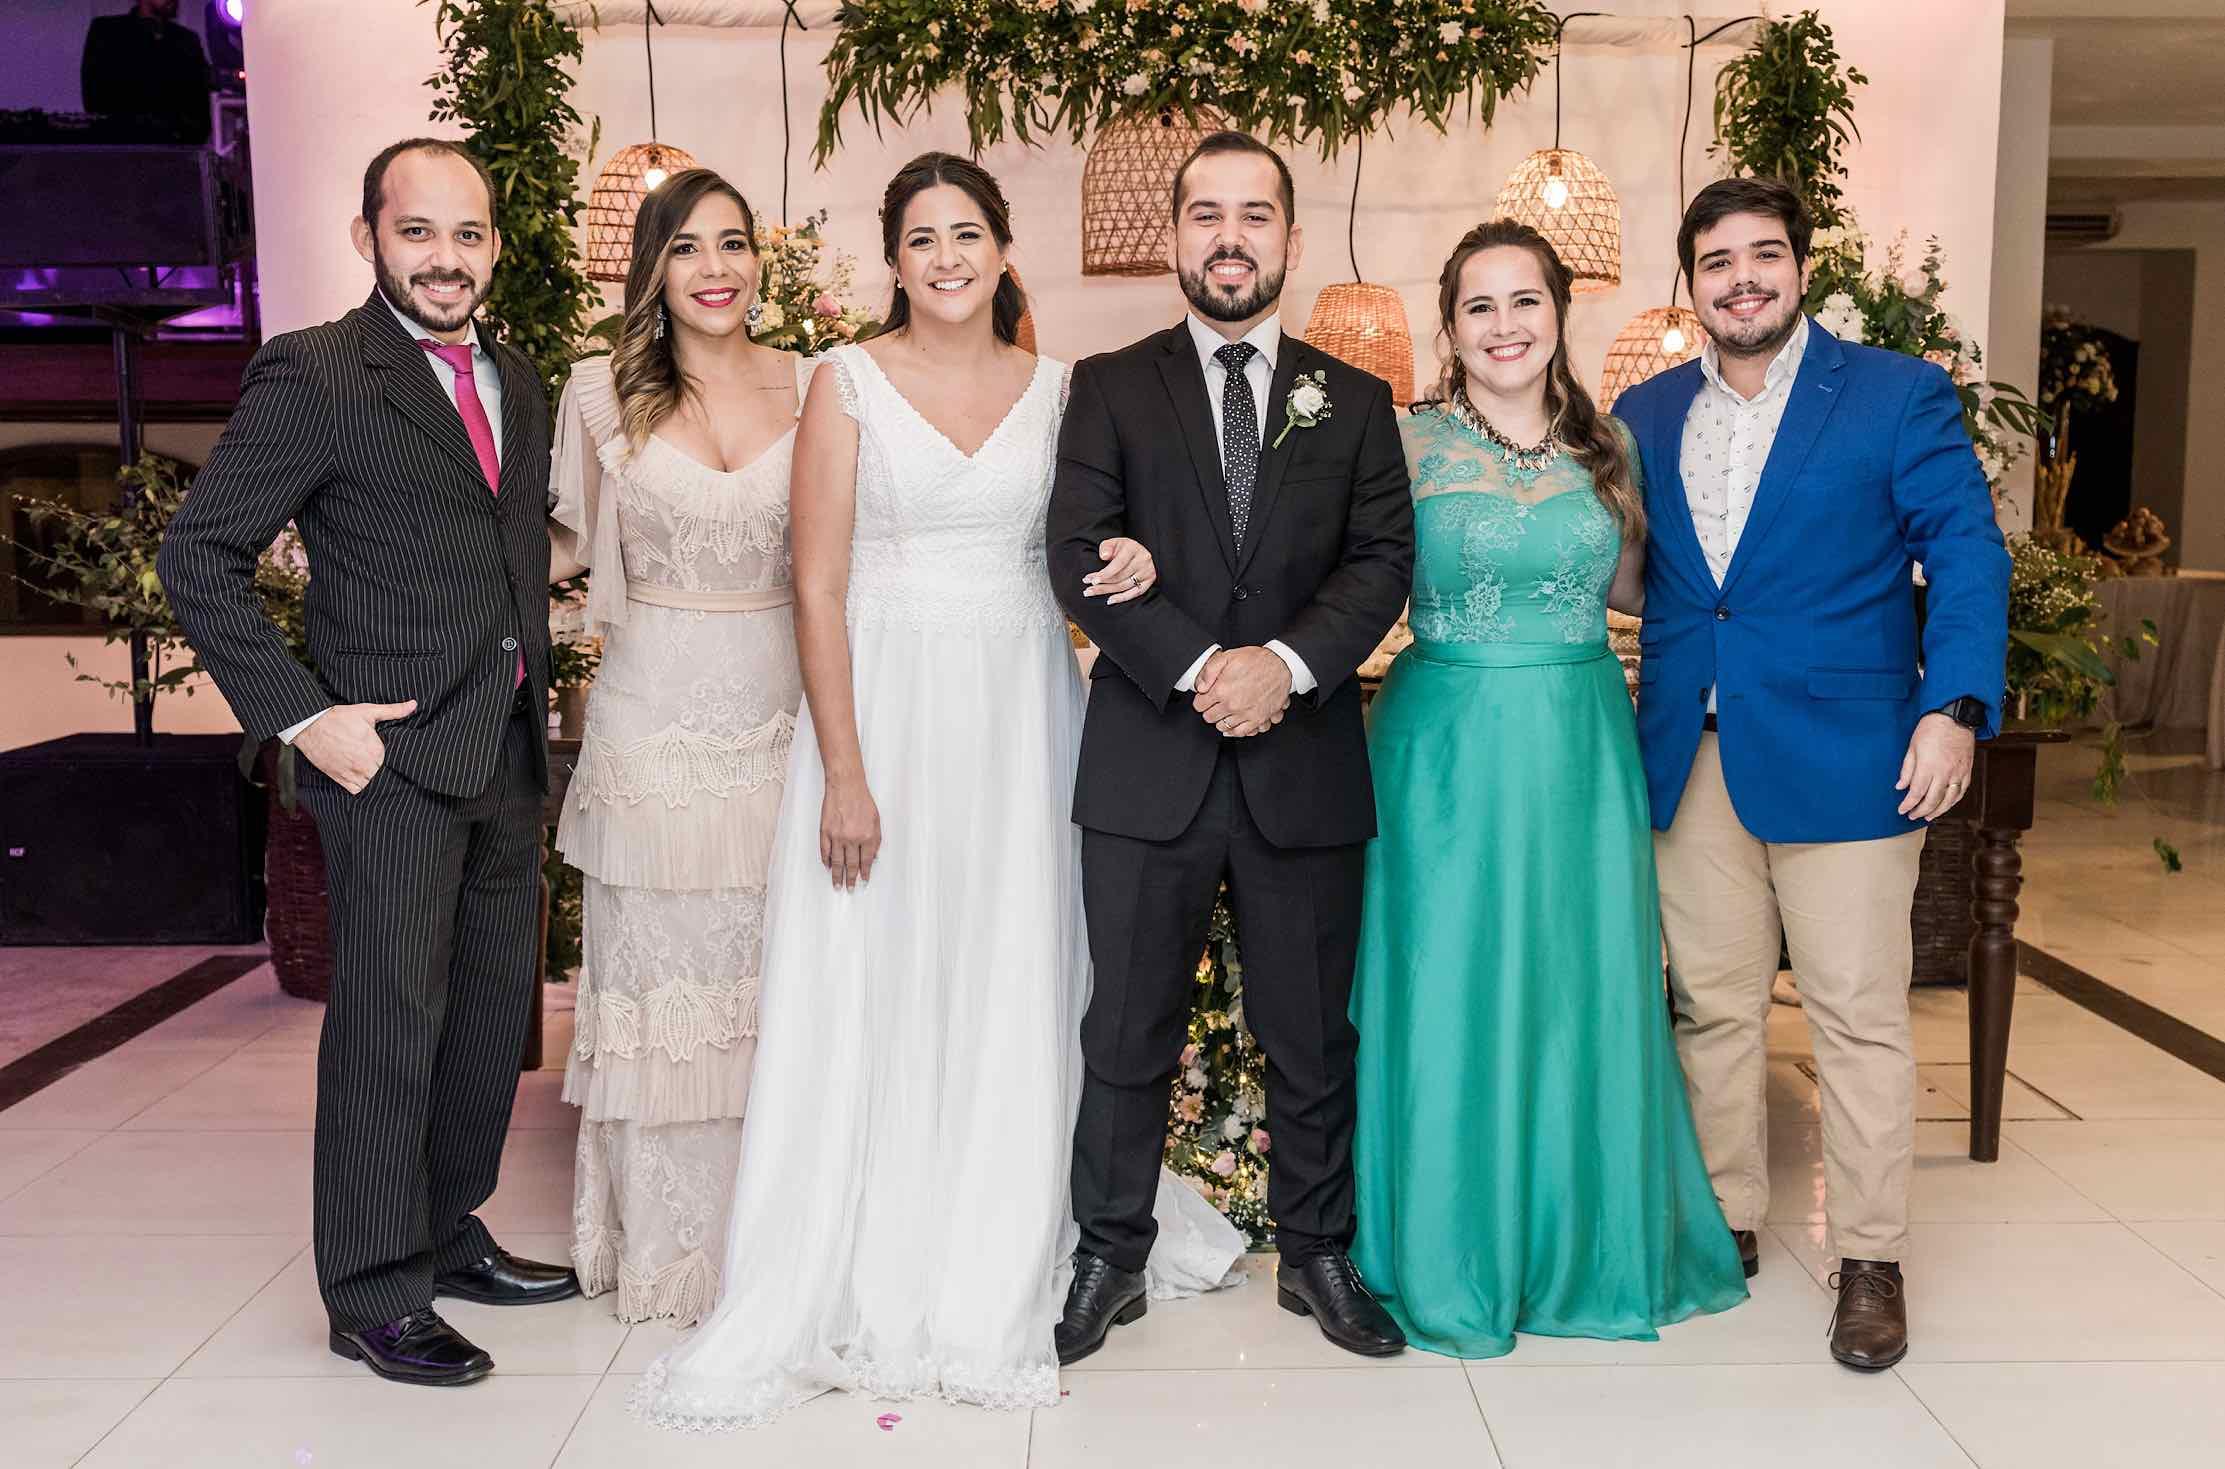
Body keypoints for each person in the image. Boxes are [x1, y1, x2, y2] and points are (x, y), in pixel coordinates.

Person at [632, 152, 1241, 1432]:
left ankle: (1006, 1227)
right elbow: (814, 585)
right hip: (888, 713)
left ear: (1002, 250)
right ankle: (866, 1243)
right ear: (894, 262)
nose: (947, 257)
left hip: (1022, 711)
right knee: (881, 963)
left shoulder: (1064, 389)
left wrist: (1132, 552)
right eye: (922, 238)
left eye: (967, 233)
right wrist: (845, 770)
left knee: (1017, 959)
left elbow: (1094, 540)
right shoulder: (844, 382)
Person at [156, 138, 577, 1388]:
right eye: (418, 231)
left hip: (504, 741)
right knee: (390, 1030)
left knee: (490, 1019)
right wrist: (302, 718)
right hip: (382, 760)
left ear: (493, 246)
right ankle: (374, 1288)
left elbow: (501, 545)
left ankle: (444, 1229)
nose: (446, 258)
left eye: (468, 234)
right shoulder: (319, 372)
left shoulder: (516, 376)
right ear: (369, 238)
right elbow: (199, 557)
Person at [1613, 177, 2009, 1371]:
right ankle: (1722, 1217)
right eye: (1716, 261)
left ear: (1798, 266)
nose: (1740, 278)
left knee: (1855, 1015)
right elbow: (1640, 576)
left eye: (1762, 255)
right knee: (1711, 1006)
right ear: (1689, 283)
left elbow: (1967, 552)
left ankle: (1870, 1256)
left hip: (1852, 759)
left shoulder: (1892, 393)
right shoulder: (1642, 410)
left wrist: (1952, 708)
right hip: (1690, 756)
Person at [1346, 219, 1749, 1359]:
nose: (1504, 325)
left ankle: (1578, 1240)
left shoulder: (1610, 445)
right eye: (1478, 306)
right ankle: (1446, 1239)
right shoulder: (1402, 441)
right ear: (1449, 325)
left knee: (1575, 981)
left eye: (1524, 300)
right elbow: (1337, 574)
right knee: (1447, 979)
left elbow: (1646, 591)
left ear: (1559, 313)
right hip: (1442, 748)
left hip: (1577, 740)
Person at [1049, 131, 1415, 1364]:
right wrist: (1209, 667)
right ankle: (1109, 1251)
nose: (1228, 237)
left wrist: (1287, 668)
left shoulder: (1352, 400)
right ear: (1172, 238)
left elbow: (1380, 562)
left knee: (1309, 1035)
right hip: (1149, 761)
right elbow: (1074, 550)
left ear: (1289, 240)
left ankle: (1315, 1251)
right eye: (1205, 213)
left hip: (1301, 765)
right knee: (1123, 1030)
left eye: (1253, 215)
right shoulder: (1107, 386)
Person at [547, 170, 811, 1326]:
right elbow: (552, 553)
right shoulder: (596, 395)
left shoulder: (819, 383)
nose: (715, 268)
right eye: (688, 246)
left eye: (733, 243)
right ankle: (670, 1252)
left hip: (785, 718)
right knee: (664, 987)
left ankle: (783, 1248)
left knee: (777, 981)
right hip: (650, 727)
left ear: (760, 261)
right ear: (651, 266)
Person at [81, 0, 213, 143]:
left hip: (176, 148)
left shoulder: (187, 40)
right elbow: (95, 99)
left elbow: (200, 109)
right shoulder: (107, 32)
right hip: (122, 146)